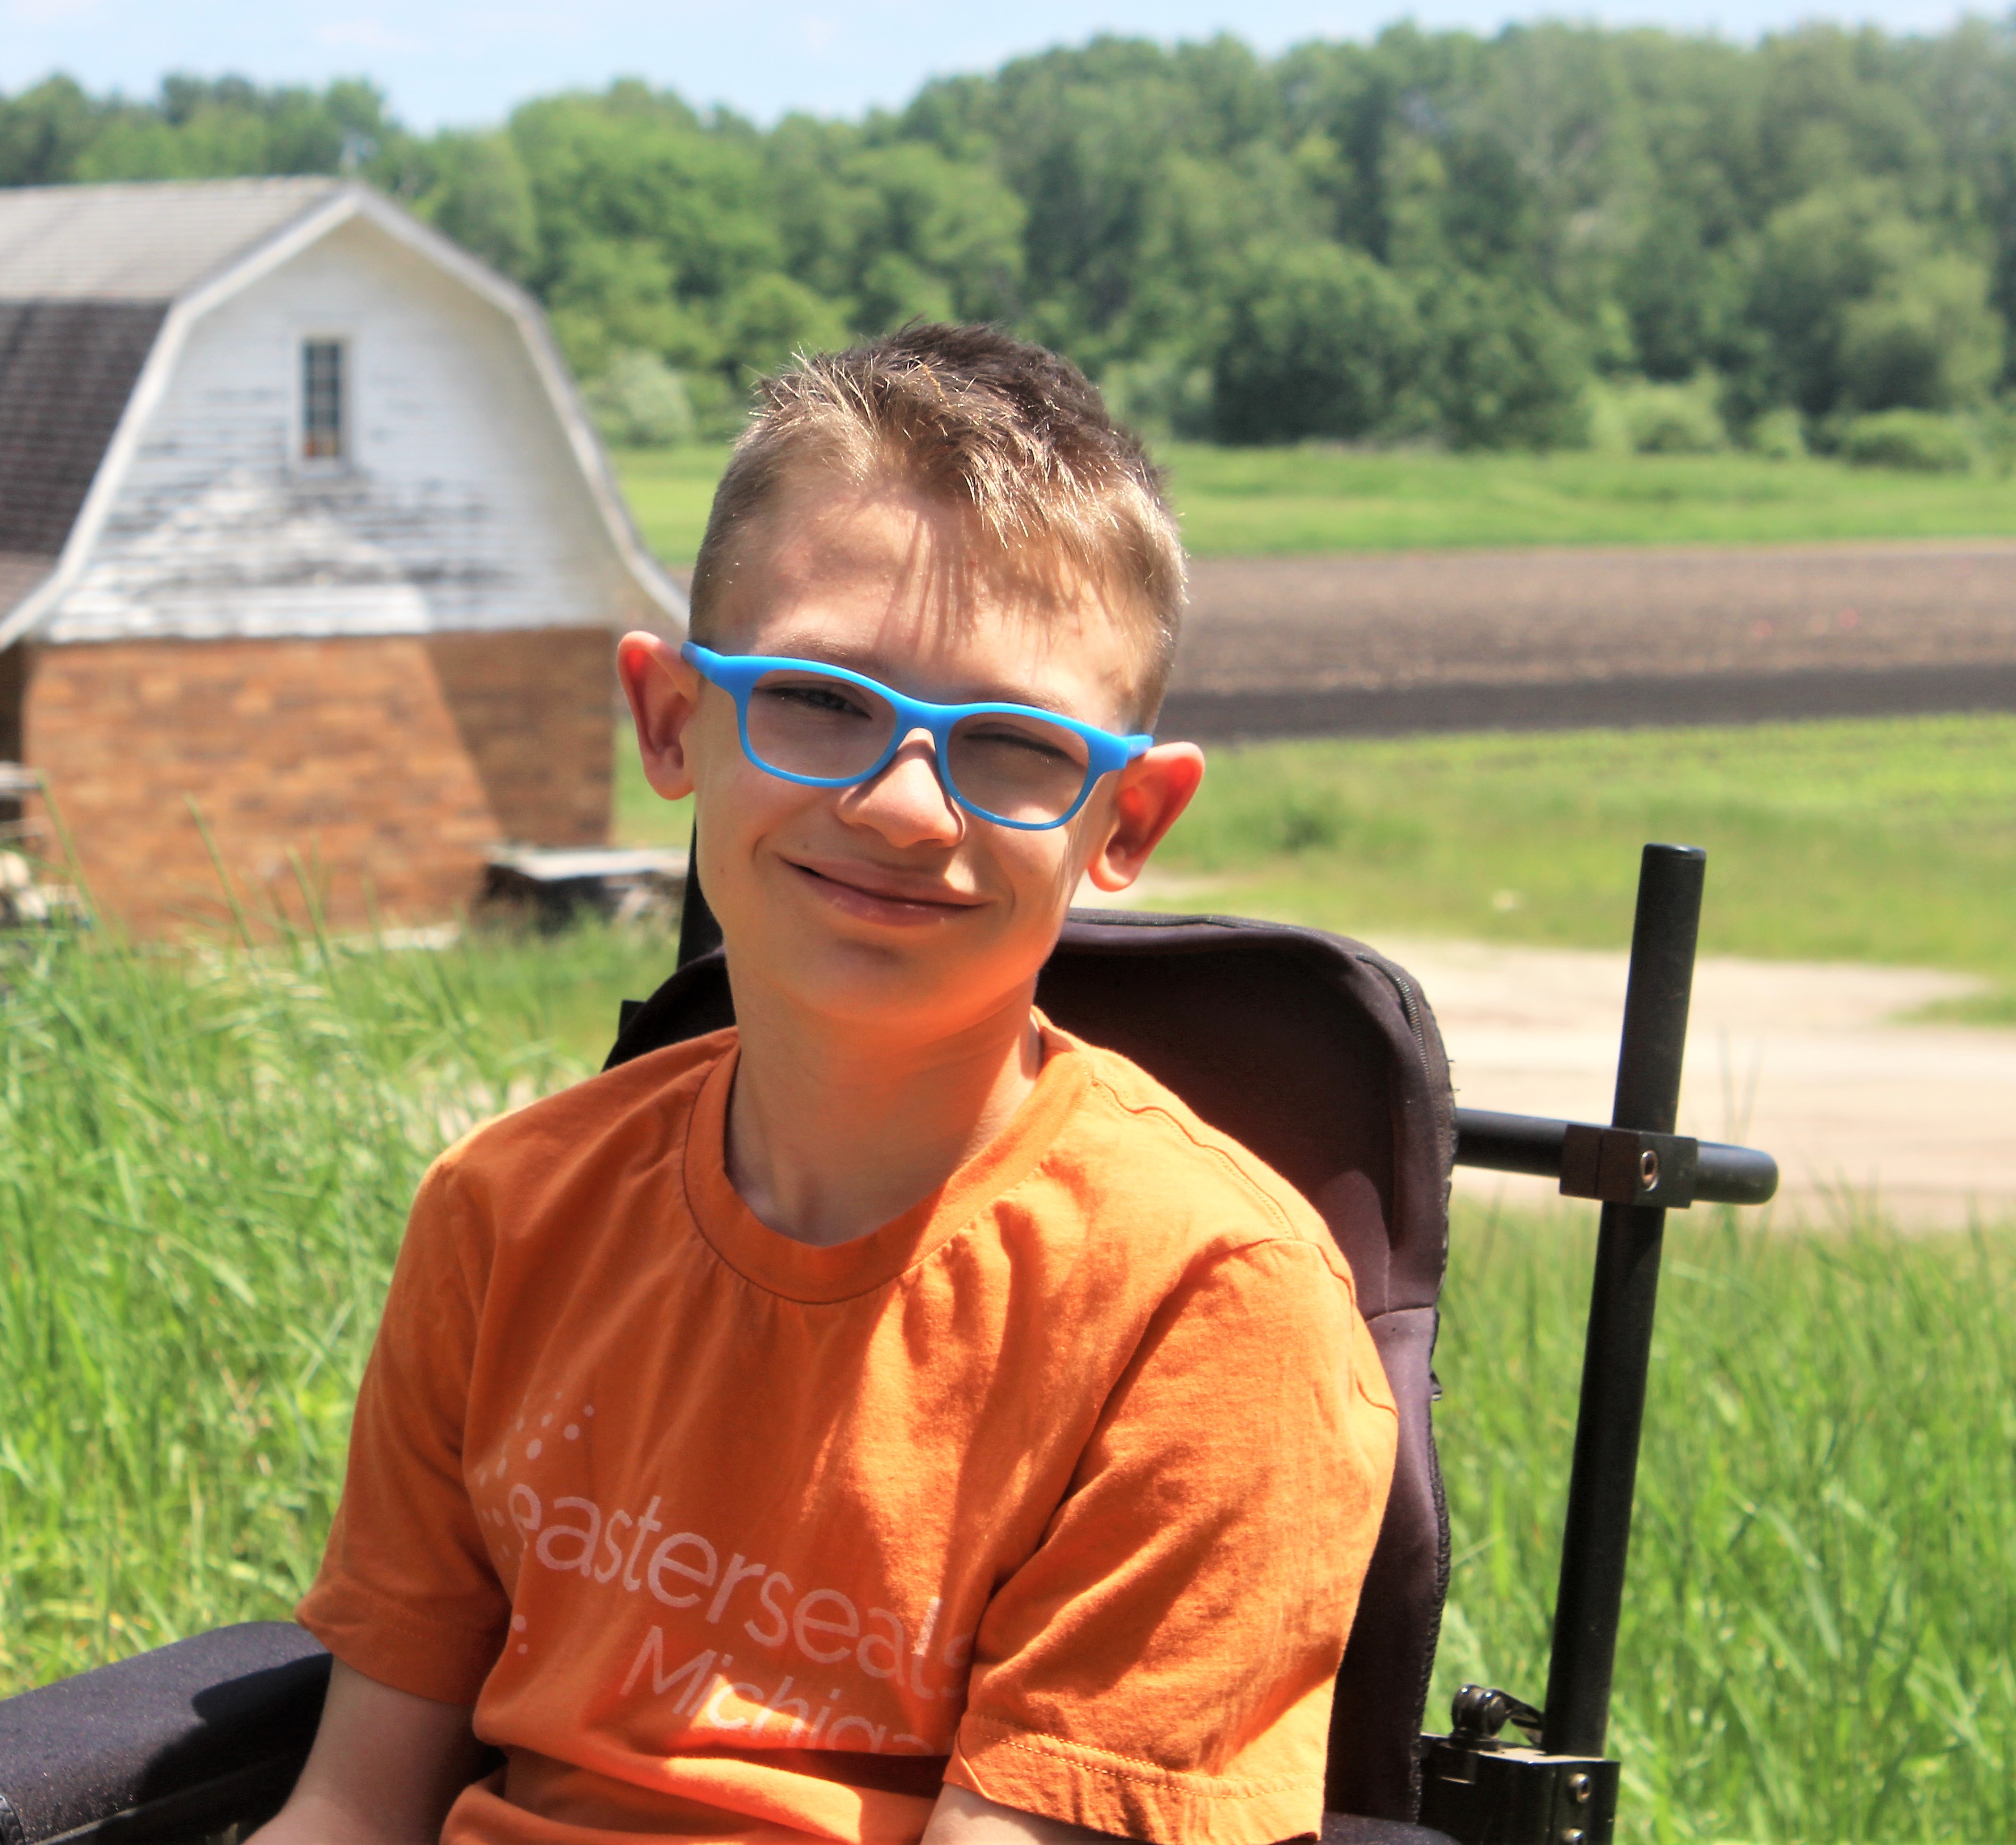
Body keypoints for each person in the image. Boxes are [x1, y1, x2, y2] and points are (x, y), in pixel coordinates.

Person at [252, 325, 1397, 1845]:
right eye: (818, 698)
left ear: (1128, 818)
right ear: (673, 719)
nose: (904, 804)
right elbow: (352, 1809)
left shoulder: (1212, 1307)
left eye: (1012, 742)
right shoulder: (503, 1214)